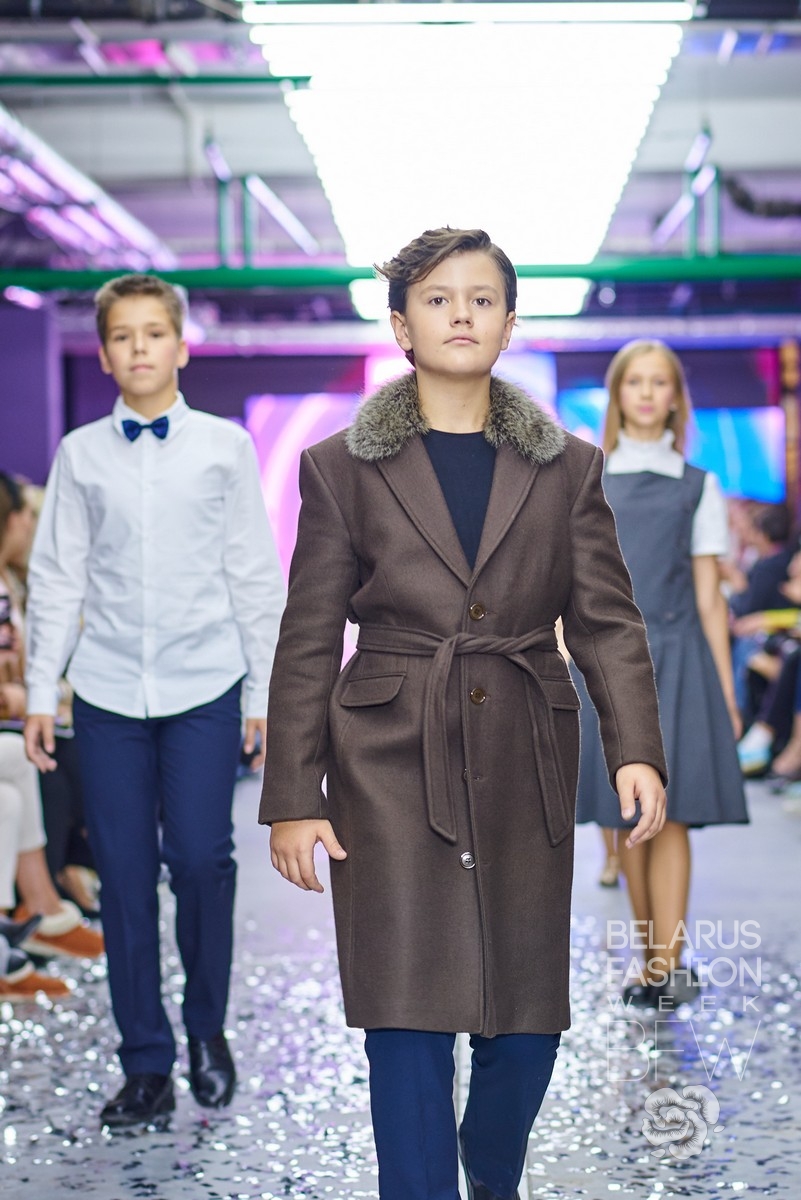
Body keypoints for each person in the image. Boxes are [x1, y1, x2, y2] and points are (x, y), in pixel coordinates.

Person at [259, 228, 667, 1200]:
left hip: (526, 746)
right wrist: (293, 795)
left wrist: (635, 748)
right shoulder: (338, 468)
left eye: (481, 299)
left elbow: (606, 620)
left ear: (510, 323)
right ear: (401, 327)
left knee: (525, 1021)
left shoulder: (567, 468)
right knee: (402, 1006)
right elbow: (309, 634)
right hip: (388, 754)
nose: (461, 315)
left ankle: (491, 1172)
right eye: (438, 299)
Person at [23, 274, 285, 1129]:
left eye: (153, 332)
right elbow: (56, 578)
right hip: (105, 693)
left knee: (203, 863)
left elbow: (253, 573)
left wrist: (264, 691)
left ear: (181, 345)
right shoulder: (79, 455)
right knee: (126, 881)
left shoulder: (224, 448)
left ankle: (207, 1028)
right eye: (122, 336)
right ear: (104, 355)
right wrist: (39, 690)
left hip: (204, 685)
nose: (138, 347)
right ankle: (146, 1062)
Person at [575, 339, 749, 1007]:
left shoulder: (697, 486)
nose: (646, 394)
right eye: (634, 382)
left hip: (679, 659)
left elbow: (709, 597)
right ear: (618, 395)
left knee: (670, 818)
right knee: (627, 818)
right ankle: (650, 960)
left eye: (658, 382)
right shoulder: (587, 479)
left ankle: (665, 964)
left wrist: (725, 691)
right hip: (609, 664)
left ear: (675, 397)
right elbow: (571, 583)